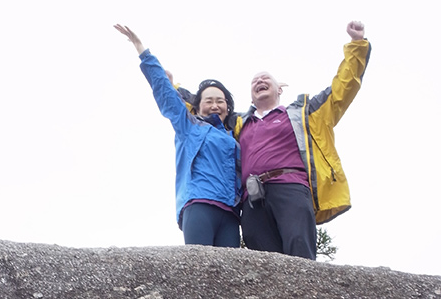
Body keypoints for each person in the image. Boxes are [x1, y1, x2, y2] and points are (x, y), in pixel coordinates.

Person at [239, 21, 371, 260]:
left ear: (280, 89)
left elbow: (342, 89)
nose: (259, 81)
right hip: (252, 196)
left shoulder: (304, 113)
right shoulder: (239, 123)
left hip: (290, 186)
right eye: (254, 81)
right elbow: (200, 112)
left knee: (299, 247)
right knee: (260, 257)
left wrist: (357, 45)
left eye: (266, 78)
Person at [114, 24, 241, 248]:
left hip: (230, 211)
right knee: (198, 270)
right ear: (198, 106)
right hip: (199, 202)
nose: (214, 105)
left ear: (228, 107)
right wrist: (142, 50)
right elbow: (166, 95)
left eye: (220, 101)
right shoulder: (189, 126)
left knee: (230, 278)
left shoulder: (235, 137)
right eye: (208, 101)